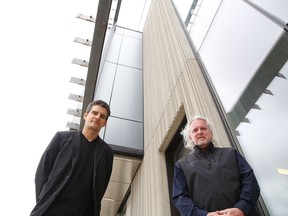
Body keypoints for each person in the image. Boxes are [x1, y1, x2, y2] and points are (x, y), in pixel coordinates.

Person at [30, 100, 114, 216]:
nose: (97, 117)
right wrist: (43, 200)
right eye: (94, 113)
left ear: (105, 123)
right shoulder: (61, 138)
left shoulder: (107, 153)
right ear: (85, 115)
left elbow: (101, 187)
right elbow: (42, 172)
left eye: (102, 116)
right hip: (50, 209)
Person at [172, 115, 260, 216]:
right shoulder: (181, 166)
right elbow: (180, 198)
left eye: (203, 128)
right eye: (195, 130)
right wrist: (203, 215)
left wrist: (241, 208)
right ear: (190, 137)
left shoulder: (231, 154)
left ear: (211, 134)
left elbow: (250, 182)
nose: (200, 132)